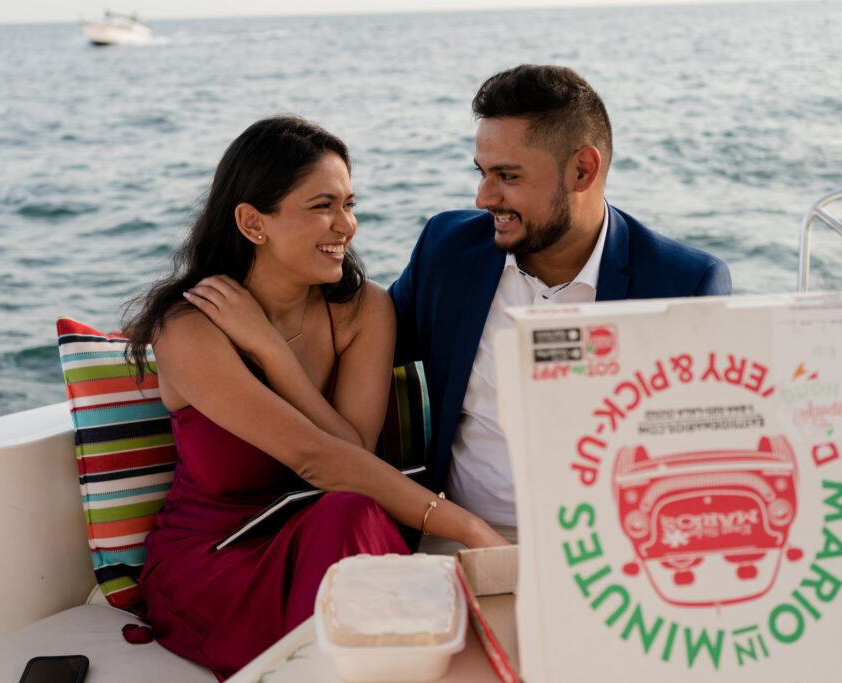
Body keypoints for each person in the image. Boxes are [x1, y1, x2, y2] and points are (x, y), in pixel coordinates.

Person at [124, 116, 506, 679]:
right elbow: (316, 458)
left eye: (349, 204)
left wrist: (273, 355)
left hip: (334, 528)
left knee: (349, 511)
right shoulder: (189, 328)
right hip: (222, 557)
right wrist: (468, 528)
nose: (345, 225)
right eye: (322, 206)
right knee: (350, 514)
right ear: (254, 223)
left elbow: (352, 449)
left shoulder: (364, 310)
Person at [389, 64, 732, 552]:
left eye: (507, 176)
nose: (484, 197)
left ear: (582, 170)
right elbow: (364, 336)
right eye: (482, 173)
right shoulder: (448, 250)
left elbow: (701, 458)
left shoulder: (685, 285)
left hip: (617, 548)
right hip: (457, 539)